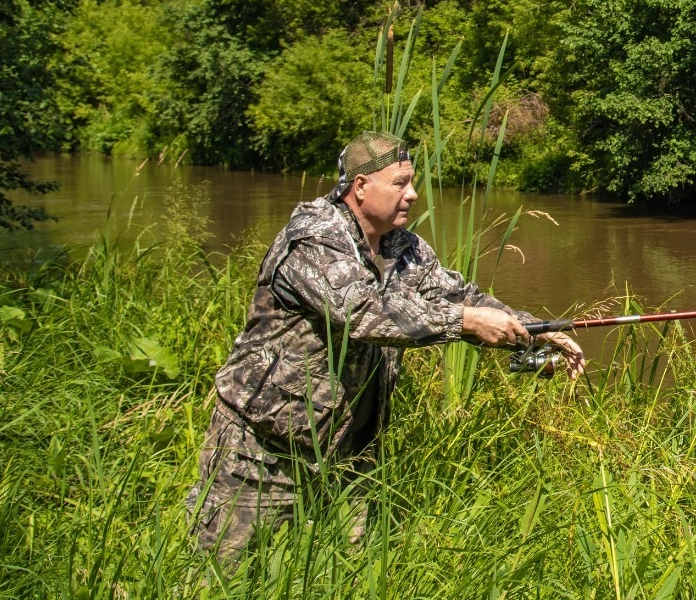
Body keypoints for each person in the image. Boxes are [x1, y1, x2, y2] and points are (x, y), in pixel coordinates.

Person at [187, 130, 583, 561]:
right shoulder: (313, 238)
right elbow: (363, 313)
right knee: (219, 579)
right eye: (400, 184)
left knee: (342, 581)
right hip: (265, 448)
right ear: (360, 187)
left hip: (348, 451)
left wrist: (534, 332)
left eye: (412, 182)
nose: (412, 195)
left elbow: (457, 297)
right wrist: (467, 323)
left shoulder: (403, 247)